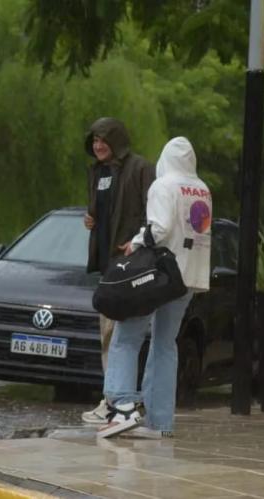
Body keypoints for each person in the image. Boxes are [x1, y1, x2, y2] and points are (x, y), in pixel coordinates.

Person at [97, 136, 212, 439]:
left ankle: (121, 407)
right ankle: (160, 422)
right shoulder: (201, 188)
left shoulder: (164, 185)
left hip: (158, 276)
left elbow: (158, 229)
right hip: (187, 278)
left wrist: (134, 242)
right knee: (165, 345)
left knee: (126, 336)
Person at [81, 117, 155, 425]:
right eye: (94, 140)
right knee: (108, 333)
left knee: (121, 334)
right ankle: (112, 399)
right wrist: (91, 220)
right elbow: (102, 209)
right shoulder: (97, 172)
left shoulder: (140, 169)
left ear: (117, 140)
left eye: (103, 139)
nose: (98, 145)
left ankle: (116, 400)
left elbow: (154, 212)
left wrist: (138, 241)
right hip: (107, 267)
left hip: (130, 266)